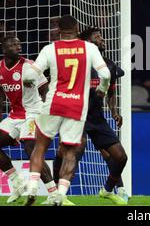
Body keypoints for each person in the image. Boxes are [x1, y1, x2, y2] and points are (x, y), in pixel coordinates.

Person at [24, 15, 111, 206]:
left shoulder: (50, 49)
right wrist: (102, 89)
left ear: (58, 30)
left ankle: (31, 187)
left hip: (53, 103)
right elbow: (105, 73)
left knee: (40, 146)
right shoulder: (89, 48)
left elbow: (30, 73)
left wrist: (27, 80)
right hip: (77, 106)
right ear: (77, 28)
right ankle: (60, 195)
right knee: (70, 151)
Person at [51, 27, 128, 205]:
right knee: (69, 153)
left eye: (101, 37)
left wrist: (114, 111)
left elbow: (111, 91)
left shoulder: (109, 65)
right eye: (97, 37)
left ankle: (107, 190)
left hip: (97, 118)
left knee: (121, 157)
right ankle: (57, 193)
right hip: (76, 115)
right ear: (87, 43)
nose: (102, 40)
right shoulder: (78, 61)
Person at [0, 35, 57, 204]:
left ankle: (53, 193)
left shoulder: (30, 67)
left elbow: (46, 90)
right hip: (15, 115)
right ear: (4, 49)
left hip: (34, 113)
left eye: (19, 44)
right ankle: (17, 183)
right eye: (13, 45)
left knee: (31, 148)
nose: (18, 47)